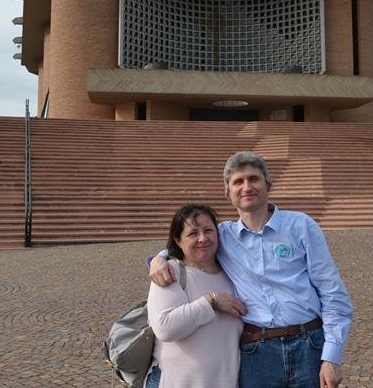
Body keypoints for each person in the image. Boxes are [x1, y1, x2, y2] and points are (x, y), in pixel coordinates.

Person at [150, 151, 353, 388]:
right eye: (238, 181)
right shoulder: (224, 236)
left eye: (253, 179)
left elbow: (331, 291)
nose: (246, 187)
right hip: (257, 352)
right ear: (228, 192)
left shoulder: (301, 225)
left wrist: (332, 357)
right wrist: (157, 259)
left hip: (309, 344)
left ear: (268, 184)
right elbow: (189, 245)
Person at [145, 203, 246, 388]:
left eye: (208, 230)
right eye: (192, 233)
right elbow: (165, 327)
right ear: (178, 240)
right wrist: (211, 300)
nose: (202, 238)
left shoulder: (232, 274)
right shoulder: (170, 272)